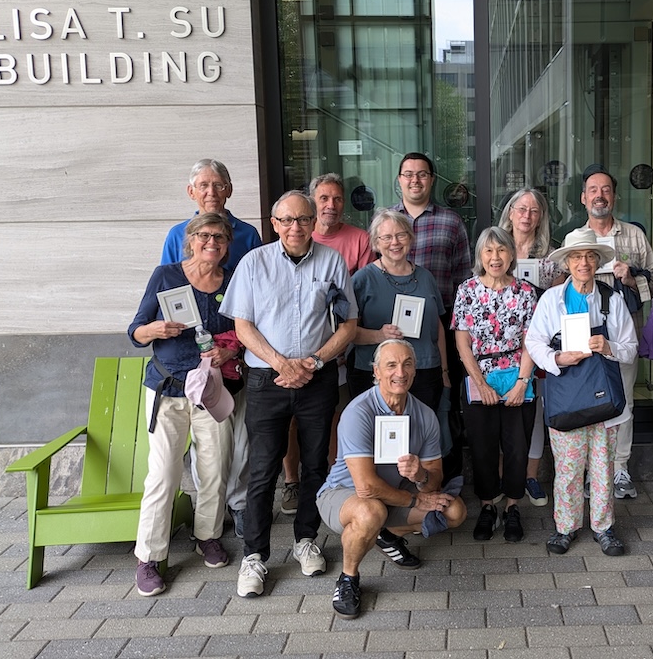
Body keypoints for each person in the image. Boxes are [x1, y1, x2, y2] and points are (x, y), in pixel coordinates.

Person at [219, 191, 358, 597]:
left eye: (303, 219)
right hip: (267, 380)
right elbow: (243, 326)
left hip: (318, 379)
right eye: (287, 220)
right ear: (274, 223)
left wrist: (312, 362)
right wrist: (283, 363)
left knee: (316, 464)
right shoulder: (253, 263)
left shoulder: (332, 262)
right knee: (262, 470)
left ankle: (305, 540)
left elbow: (347, 324)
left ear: (314, 221)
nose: (295, 227)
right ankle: (254, 556)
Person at [128, 213, 239, 596]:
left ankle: (207, 535)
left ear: (227, 244)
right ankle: (149, 557)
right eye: (205, 235)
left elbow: (242, 330)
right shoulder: (166, 276)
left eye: (220, 237)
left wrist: (230, 351)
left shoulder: (232, 280)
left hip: (211, 391)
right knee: (163, 475)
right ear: (190, 240)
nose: (213, 242)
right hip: (167, 388)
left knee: (214, 469)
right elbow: (135, 331)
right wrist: (154, 330)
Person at [316, 339, 466, 619]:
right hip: (343, 493)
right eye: (391, 365)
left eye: (407, 364)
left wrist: (420, 475)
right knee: (371, 510)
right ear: (376, 371)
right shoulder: (359, 412)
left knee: (454, 511)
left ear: (415, 370)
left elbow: (435, 478)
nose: (400, 372)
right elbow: (366, 486)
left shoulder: (425, 415)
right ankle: (348, 578)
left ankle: (386, 533)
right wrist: (415, 497)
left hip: (395, 494)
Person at [159, 159, 263, 538]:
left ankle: (239, 505)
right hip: (193, 358)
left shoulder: (248, 235)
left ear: (229, 190)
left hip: (237, 350)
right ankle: (210, 506)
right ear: (191, 192)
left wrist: (234, 345)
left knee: (239, 435)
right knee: (206, 440)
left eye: (218, 185)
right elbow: (168, 292)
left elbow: (259, 290)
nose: (211, 192)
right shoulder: (176, 235)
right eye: (203, 185)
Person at [525, 227, 638, 557]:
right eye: (576, 257)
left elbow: (631, 348)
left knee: (603, 467)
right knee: (569, 469)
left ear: (597, 261)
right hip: (566, 397)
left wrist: (609, 346)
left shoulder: (610, 299)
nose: (583, 263)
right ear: (568, 263)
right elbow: (533, 342)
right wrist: (557, 358)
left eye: (589, 256)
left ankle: (604, 528)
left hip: (604, 400)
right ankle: (565, 527)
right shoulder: (552, 299)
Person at [280, 174, 374, 518]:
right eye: (323, 199)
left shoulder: (359, 239)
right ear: (310, 204)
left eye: (337, 199)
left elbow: (359, 297)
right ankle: (293, 481)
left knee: (334, 417)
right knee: (291, 420)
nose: (331, 205)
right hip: (290, 355)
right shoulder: (293, 241)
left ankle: (333, 481)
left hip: (341, 350)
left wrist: (343, 348)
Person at [452, 227, 539, 542]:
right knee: (483, 446)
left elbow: (533, 341)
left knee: (517, 446)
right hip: (480, 377)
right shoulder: (467, 290)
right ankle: (488, 506)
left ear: (512, 254)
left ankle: (513, 506)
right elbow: (462, 343)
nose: (495, 257)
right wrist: (481, 383)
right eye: (488, 251)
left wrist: (521, 382)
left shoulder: (526, 292)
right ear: (480, 256)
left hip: (518, 376)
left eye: (501, 250)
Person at [390, 152, 472, 476]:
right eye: (408, 174)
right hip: (394, 329)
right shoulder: (386, 221)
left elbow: (464, 277)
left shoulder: (451, 221)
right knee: (399, 393)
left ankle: (445, 471)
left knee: (443, 396)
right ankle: (401, 472)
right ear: (399, 180)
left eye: (421, 174)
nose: (415, 180)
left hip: (442, 323)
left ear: (432, 180)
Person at [581, 169, 653, 500]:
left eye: (606, 190)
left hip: (625, 332)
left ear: (614, 196)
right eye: (593, 190)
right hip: (585, 335)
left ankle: (620, 467)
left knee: (623, 401)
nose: (600, 195)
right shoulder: (575, 239)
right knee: (587, 401)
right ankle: (589, 470)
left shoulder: (635, 237)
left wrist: (630, 280)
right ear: (584, 198)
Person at [496, 188, 561, 507]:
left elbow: (560, 299)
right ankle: (503, 478)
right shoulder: (494, 249)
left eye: (534, 211)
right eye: (521, 209)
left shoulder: (551, 256)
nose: (527, 215)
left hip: (539, 343)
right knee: (502, 412)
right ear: (510, 212)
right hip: (501, 347)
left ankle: (531, 476)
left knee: (534, 414)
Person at [350, 209, 449, 411]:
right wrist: (378, 335)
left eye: (400, 235)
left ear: (410, 238)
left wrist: (445, 372)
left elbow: (437, 327)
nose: (394, 242)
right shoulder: (362, 279)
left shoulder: (426, 277)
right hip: (377, 375)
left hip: (425, 371)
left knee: (422, 433)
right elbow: (345, 332)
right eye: (386, 237)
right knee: (380, 437)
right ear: (376, 243)